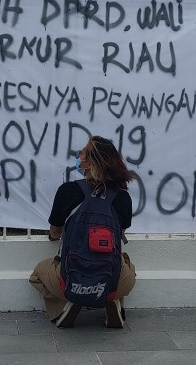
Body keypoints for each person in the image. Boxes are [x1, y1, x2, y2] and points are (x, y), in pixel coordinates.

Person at [29, 135, 137, 329]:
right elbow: (120, 232)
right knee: (126, 264)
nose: (79, 156)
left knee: (38, 273)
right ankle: (112, 300)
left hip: (71, 278)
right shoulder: (123, 198)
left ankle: (64, 306)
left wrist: (55, 236)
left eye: (82, 153)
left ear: (90, 163)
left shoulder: (68, 191)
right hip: (113, 281)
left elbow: (55, 232)